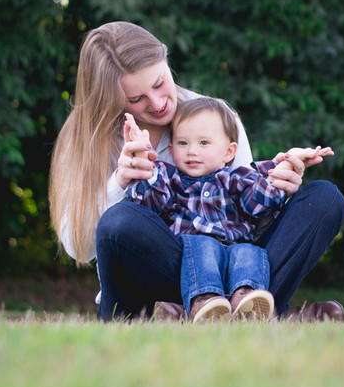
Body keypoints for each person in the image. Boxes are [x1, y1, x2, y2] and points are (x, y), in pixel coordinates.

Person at [49, 21, 344, 321]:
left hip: (232, 270)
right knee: (119, 221)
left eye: (158, 84)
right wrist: (120, 183)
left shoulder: (213, 116)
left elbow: (243, 216)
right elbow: (78, 248)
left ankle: (220, 310)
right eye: (136, 99)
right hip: (147, 286)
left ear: (165, 58)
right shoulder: (86, 138)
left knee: (325, 198)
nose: (157, 104)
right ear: (109, 99)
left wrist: (278, 184)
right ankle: (256, 314)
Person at [123, 100, 333, 323]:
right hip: (193, 257)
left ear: (229, 152)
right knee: (203, 244)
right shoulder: (171, 179)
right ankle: (205, 300)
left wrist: (285, 167)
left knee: (248, 251)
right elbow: (150, 201)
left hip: (237, 250)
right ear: (172, 150)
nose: (192, 151)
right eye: (183, 143)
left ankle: (246, 300)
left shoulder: (237, 177)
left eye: (204, 143)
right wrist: (143, 161)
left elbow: (258, 204)